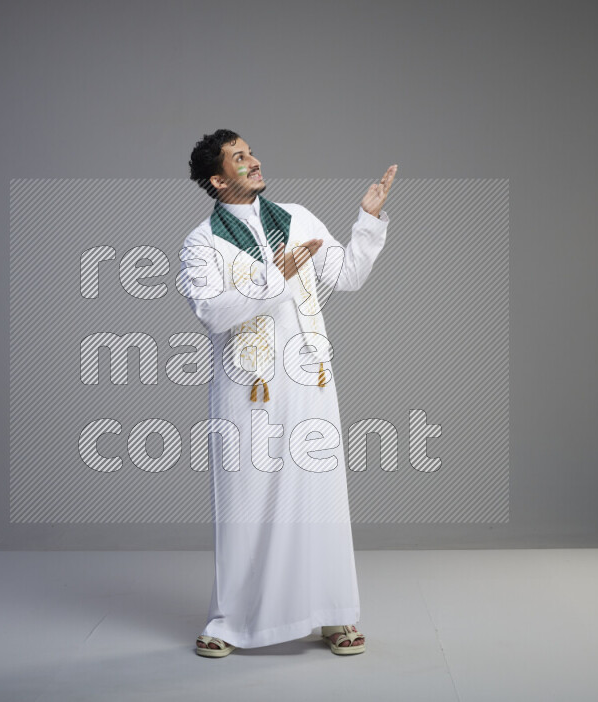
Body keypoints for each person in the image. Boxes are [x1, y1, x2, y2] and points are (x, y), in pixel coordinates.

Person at [178, 129, 396, 657]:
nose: (254, 161)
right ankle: (230, 620)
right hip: (246, 388)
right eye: (239, 157)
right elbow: (212, 313)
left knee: (319, 496)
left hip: (309, 378)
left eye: (250, 152)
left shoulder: (297, 217)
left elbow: (345, 277)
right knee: (244, 501)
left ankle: (334, 614)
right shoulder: (200, 243)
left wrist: (366, 220)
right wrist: (273, 276)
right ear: (217, 179)